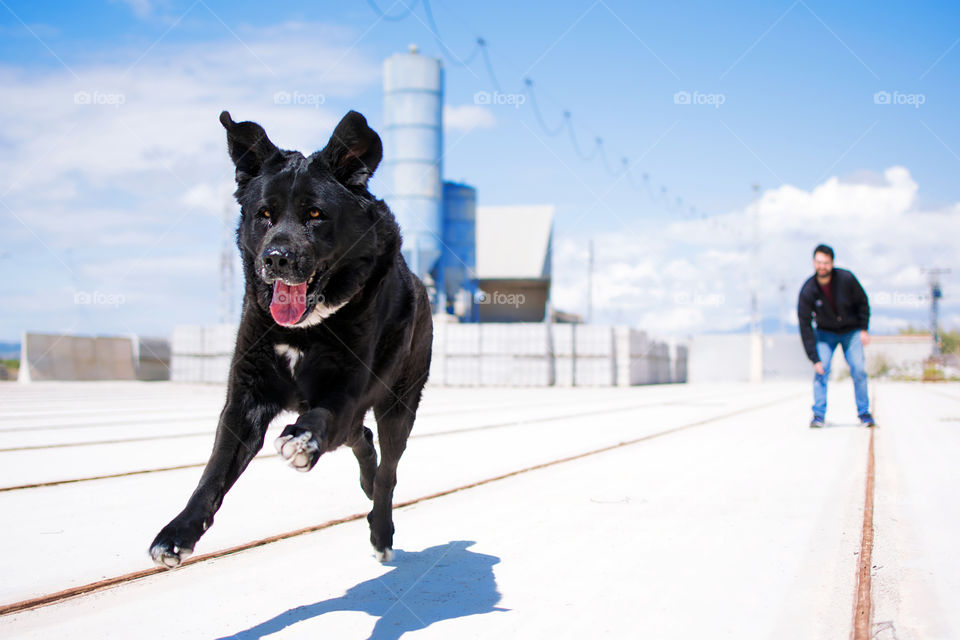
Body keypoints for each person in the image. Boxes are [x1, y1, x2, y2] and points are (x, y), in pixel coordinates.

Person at [797, 244, 875, 428]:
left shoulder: (846, 279)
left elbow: (863, 303)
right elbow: (805, 325)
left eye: (825, 263)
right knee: (821, 370)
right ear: (813, 262)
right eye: (818, 262)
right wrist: (813, 357)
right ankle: (818, 415)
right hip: (825, 334)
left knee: (858, 369)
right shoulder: (808, 290)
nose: (821, 266)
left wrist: (864, 329)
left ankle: (864, 414)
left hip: (851, 331)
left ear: (832, 263)